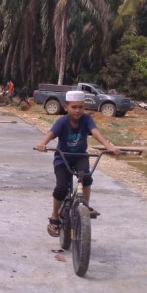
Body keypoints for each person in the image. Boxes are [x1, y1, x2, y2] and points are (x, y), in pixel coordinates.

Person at [35, 91, 119, 237]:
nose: (77, 110)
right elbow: (50, 134)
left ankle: (85, 205)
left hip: (80, 156)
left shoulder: (87, 119)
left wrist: (108, 146)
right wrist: (42, 144)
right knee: (61, 188)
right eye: (74, 107)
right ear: (66, 107)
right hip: (63, 158)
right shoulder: (62, 121)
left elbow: (96, 132)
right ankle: (54, 217)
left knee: (86, 177)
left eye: (81, 107)